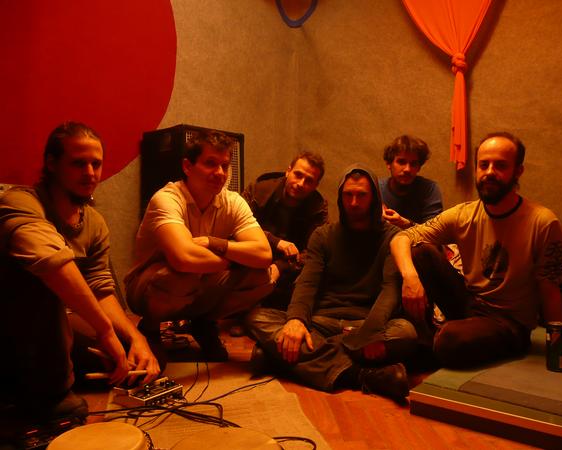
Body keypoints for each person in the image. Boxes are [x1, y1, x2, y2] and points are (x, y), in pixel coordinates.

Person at [391, 131, 562, 368]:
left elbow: (550, 289)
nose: (489, 172)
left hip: (510, 322)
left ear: (518, 171)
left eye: (500, 165)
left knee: (449, 341)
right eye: (484, 165)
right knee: (420, 252)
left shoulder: (542, 222)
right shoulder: (463, 214)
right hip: (471, 304)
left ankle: (429, 344)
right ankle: (430, 340)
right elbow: (401, 237)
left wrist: (557, 347)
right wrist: (410, 277)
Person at [0, 122, 160, 422]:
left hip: (54, 325)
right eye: (78, 163)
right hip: (13, 321)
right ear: (51, 163)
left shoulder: (94, 222)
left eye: (96, 164)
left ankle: (46, 376)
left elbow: (101, 288)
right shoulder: (20, 202)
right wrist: (104, 330)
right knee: (45, 285)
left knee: (136, 357)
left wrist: (136, 338)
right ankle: (47, 395)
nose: (90, 172)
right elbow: (51, 262)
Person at [245, 165, 418, 402]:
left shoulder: (392, 237)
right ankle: (363, 374)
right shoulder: (322, 235)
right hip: (321, 322)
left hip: (366, 323)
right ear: (340, 197)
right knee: (257, 317)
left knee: (406, 332)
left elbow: (390, 289)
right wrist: (296, 320)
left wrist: (371, 332)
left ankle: (278, 357)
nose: (354, 202)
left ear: (374, 197)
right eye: (348, 195)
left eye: (361, 195)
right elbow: (307, 283)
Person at [125, 129, 273, 362]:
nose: (220, 173)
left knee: (264, 275)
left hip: (201, 279)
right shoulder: (167, 198)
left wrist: (214, 243)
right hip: (147, 288)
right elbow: (184, 259)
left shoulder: (232, 202)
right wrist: (234, 262)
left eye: (225, 165)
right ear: (187, 166)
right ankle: (150, 328)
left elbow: (264, 254)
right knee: (182, 275)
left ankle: (203, 322)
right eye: (210, 163)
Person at [242, 151, 327, 311]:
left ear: (316, 185)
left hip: (291, 270)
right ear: (288, 171)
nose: (301, 183)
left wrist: (280, 267)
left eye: (309, 180)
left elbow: (314, 251)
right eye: (298, 175)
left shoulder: (318, 208)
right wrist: (275, 241)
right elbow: (238, 227)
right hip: (255, 259)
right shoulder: (257, 191)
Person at [380, 135, 443, 229]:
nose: (407, 169)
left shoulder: (429, 189)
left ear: (419, 167)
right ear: (389, 163)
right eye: (401, 162)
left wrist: (405, 224)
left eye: (413, 164)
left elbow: (434, 231)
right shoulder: (376, 190)